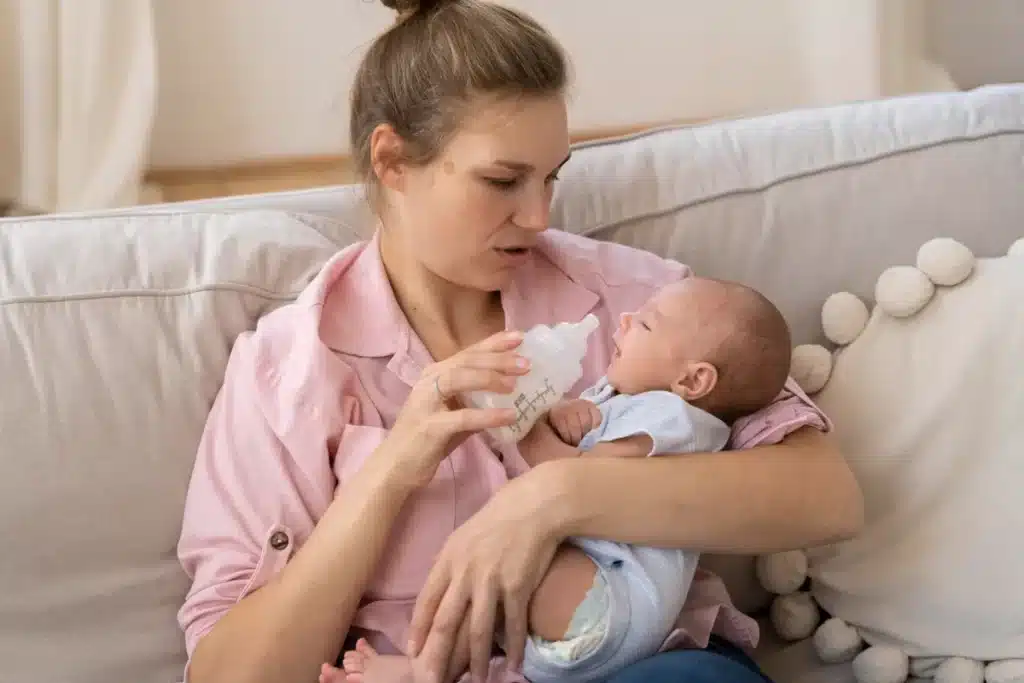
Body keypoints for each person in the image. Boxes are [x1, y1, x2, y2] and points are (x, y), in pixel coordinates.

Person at [175, 1, 865, 683]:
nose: (537, 216)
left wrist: (556, 495)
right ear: (392, 160)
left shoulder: (636, 305)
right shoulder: (289, 369)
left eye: (551, 177)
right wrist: (394, 468)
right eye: (503, 181)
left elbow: (826, 496)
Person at [325, 276, 795, 683]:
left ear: (693, 382)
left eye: (647, 323)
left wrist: (525, 426)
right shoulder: (626, 402)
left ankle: (425, 670)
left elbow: (581, 477)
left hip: (613, 602)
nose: (626, 319)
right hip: (594, 602)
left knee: (495, 573)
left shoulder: (675, 418)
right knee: (496, 581)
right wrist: (562, 412)